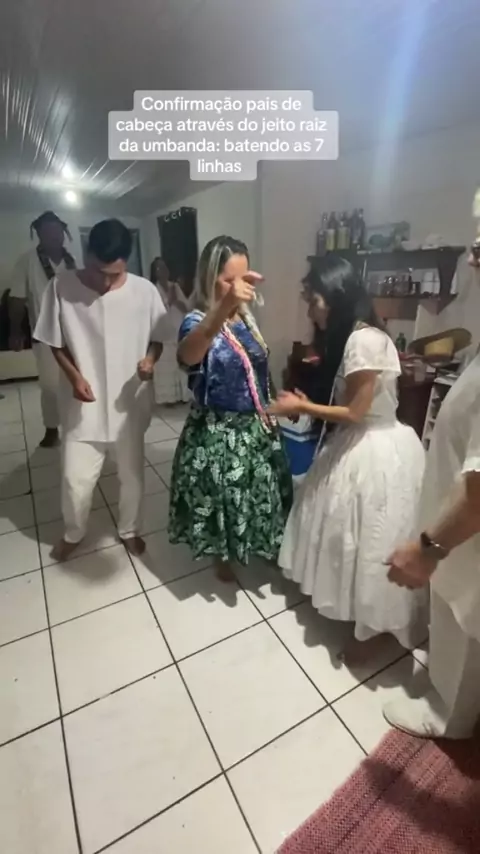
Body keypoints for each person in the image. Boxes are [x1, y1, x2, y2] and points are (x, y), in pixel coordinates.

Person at [270, 256, 428, 662]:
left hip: (374, 445)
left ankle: (373, 627)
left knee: (371, 537)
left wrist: (303, 407)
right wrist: (308, 406)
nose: (310, 310)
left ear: (336, 297)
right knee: (351, 531)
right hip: (362, 440)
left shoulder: (363, 340)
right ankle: (354, 609)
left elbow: (356, 412)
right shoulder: (354, 336)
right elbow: (348, 403)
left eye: (314, 300)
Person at [34, 218, 167, 561]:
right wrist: (74, 376)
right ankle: (74, 532)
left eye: (115, 274)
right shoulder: (61, 287)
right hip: (83, 403)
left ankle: (129, 530)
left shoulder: (144, 291)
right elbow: (54, 341)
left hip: (128, 402)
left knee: (132, 476)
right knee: (75, 479)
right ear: (87, 254)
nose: (106, 283)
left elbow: (158, 339)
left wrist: (150, 360)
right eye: (99, 272)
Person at [385, 262, 480, 738]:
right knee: (452, 616)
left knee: (467, 618)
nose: (472, 262)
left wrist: (427, 548)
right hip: (458, 533)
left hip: (467, 541)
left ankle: (450, 718)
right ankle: (448, 686)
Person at [168, 235, 293, 581]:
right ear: (208, 278)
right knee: (223, 499)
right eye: (228, 280)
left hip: (256, 426)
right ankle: (222, 554)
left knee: (259, 492)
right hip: (217, 432)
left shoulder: (246, 318)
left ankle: (261, 543)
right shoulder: (197, 320)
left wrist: (276, 401)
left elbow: (258, 367)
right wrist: (222, 308)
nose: (238, 287)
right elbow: (187, 356)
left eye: (243, 277)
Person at [9, 211, 76, 447]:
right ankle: (51, 428)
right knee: (49, 385)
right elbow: (17, 299)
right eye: (47, 231)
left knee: (76, 380)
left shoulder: (72, 261)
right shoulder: (27, 261)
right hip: (45, 334)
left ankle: (76, 425)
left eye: (57, 230)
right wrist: (15, 332)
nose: (53, 235)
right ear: (38, 234)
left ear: (63, 232)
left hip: (75, 334)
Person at [150, 257, 191, 406]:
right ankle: (168, 398)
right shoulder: (153, 289)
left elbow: (187, 307)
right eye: (158, 268)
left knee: (179, 361)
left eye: (164, 267)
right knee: (166, 362)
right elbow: (157, 309)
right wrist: (169, 300)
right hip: (163, 327)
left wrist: (176, 301)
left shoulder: (175, 286)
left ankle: (183, 395)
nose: (162, 271)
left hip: (178, 327)